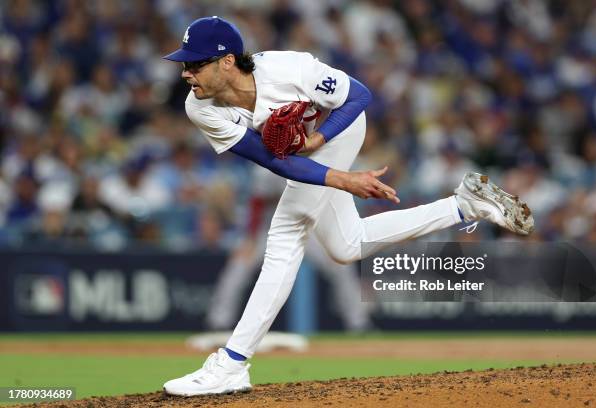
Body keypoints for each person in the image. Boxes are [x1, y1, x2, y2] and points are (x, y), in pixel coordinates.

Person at [161, 16, 534, 396]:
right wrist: (343, 178)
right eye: (185, 65)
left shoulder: (290, 68)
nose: (186, 73)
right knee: (346, 245)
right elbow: (276, 161)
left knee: (286, 234)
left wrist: (320, 141)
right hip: (303, 154)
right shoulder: (201, 108)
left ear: (227, 61)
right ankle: (464, 206)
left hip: (338, 123)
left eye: (195, 64)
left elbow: (359, 96)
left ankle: (233, 363)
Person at [206, 165, 372, 332]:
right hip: (272, 228)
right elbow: (257, 203)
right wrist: (250, 238)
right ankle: (219, 322)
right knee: (239, 267)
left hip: (311, 228)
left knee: (341, 265)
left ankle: (359, 323)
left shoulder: (318, 154)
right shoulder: (267, 163)